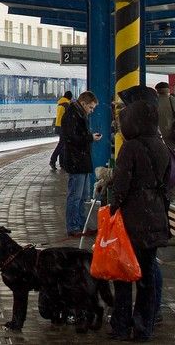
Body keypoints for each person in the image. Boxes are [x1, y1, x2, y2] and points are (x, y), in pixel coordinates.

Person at [108, 85, 171, 341]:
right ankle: (143, 328)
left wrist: (113, 208)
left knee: (123, 275)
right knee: (146, 278)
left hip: (131, 220)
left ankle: (121, 326)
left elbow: (121, 187)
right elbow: (167, 180)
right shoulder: (161, 144)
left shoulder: (130, 148)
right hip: (155, 216)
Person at [60, 91, 101, 237]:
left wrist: (89, 137)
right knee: (75, 196)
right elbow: (71, 138)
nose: (92, 111)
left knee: (83, 196)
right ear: (83, 103)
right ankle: (73, 227)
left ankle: (82, 225)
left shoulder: (78, 114)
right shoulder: (72, 115)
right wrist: (90, 137)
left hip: (81, 160)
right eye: (91, 107)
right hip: (76, 161)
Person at [50, 90, 73, 171]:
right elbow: (69, 118)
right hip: (64, 127)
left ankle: (62, 163)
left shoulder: (60, 103)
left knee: (63, 145)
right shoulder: (67, 105)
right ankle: (53, 160)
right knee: (61, 145)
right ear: (70, 97)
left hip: (58, 126)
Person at [155, 82, 175, 149]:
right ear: (168, 90)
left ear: (157, 90)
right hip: (172, 132)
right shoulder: (172, 100)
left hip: (157, 133)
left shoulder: (154, 102)